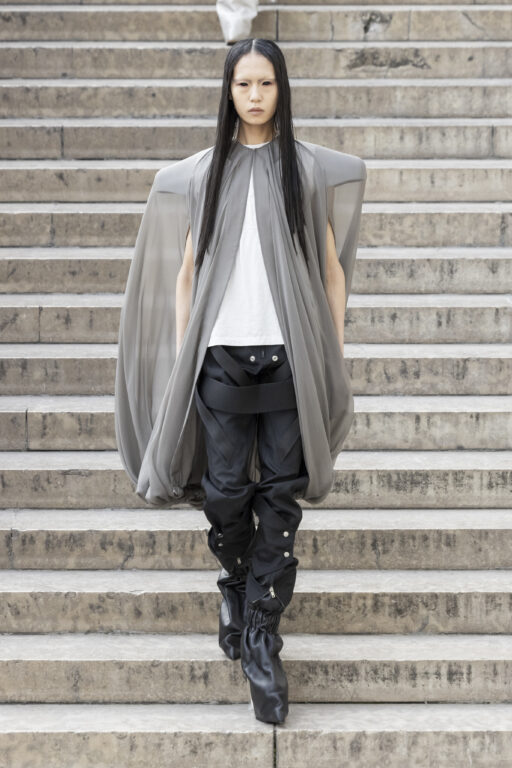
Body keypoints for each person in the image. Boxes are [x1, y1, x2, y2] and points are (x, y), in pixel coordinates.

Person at [114, 38, 366, 727]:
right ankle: (234, 580)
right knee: (226, 493)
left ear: (282, 89)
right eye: (243, 85)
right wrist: (183, 356)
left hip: (289, 355)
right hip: (222, 354)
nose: (254, 96)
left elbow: (331, 271)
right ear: (228, 92)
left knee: (280, 497)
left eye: (266, 84)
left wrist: (333, 353)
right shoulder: (209, 172)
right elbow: (188, 272)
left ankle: (261, 638)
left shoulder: (304, 169)